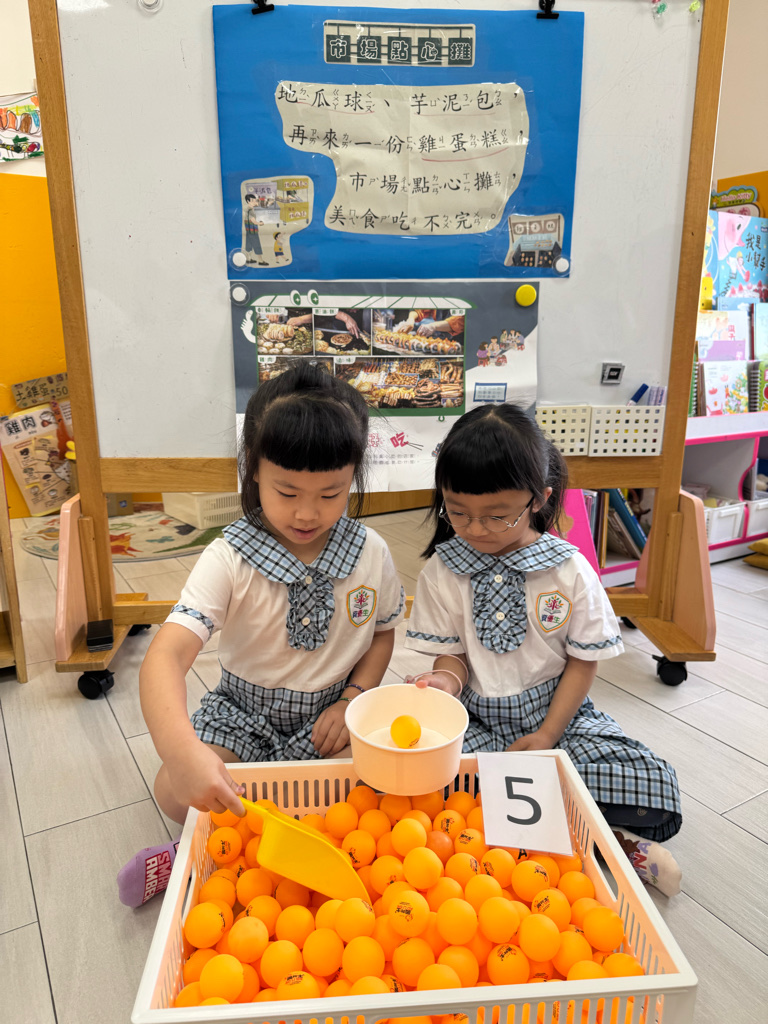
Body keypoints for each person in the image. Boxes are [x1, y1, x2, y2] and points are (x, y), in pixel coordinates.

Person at [118, 363, 404, 906]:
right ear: (253, 469)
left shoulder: (371, 552)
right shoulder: (230, 554)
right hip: (243, 711)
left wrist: (353, 697)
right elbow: (166, 657)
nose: (307, 513)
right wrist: (182, 752)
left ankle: (228, 852)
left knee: (373, 787)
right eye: (286, 490)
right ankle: (219, 850)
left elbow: (383, 634)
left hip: (330, 716)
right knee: (173, 791)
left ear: (354, 477)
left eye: (331, 493)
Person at [404, 404, 682, 897]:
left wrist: (549, 734)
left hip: (560, 717)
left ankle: (562, 837)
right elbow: (453, 657)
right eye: (457, 511)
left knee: (653, 783)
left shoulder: (568, 570)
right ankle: (597, 842)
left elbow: (582, 662)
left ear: (540, 499)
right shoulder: (443, 570)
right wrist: (443, 682)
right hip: (477, 722)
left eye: (497, 515)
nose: (475, 528)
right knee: (413, 780)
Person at [243, 194, 268, 266]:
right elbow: (253, 221)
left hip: (248, 230)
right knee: (257, 244)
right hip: (252, 230)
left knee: (249, 244)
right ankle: (260, 260)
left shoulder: (249, 208)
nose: (254, 202)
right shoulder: (249, 210)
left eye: (255, 200)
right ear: (248, 201)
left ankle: (248, 259)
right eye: (252, 201)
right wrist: (261, 223)